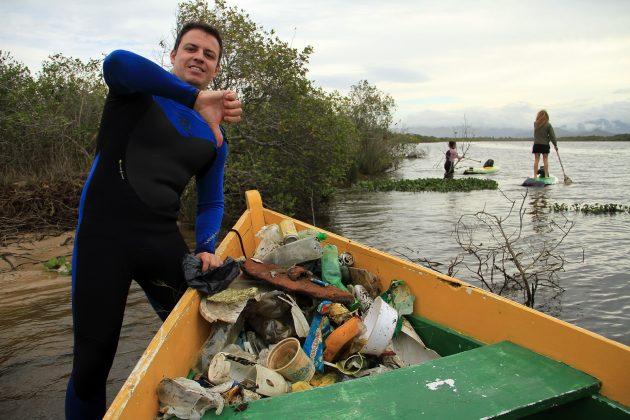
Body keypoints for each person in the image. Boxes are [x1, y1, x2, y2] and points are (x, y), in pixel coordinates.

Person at [65, 22, 242, 419]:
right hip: (102, 240)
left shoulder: (215, 136)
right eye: (191, 49)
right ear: (173, 56)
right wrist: (195, 98)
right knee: (92, 365)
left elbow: (211, 199)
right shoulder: (135, 92)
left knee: (200, 339)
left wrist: (206, 247)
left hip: (161, 242)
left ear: (216, 69)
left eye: (209, 55)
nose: (199, 57)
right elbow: (116, 62)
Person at [533, 109, 558, 178]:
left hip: (536, 145)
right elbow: (552, 136)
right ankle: (546, 175)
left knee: (536, 160)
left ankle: (535, 176)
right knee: (545, 160)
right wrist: (555, 145)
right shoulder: (548, 125)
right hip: (545, 145)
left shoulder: (535, 124)